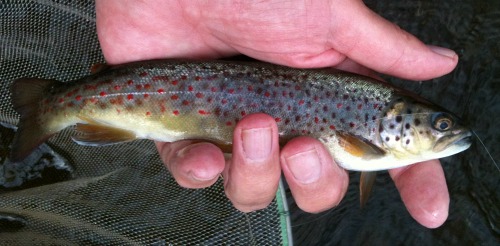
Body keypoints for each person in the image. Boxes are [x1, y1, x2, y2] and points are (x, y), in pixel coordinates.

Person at [96, 0, 457, 229]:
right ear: (396, 116)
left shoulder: (375, 142)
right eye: (441, 125)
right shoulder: (371, 144)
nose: (446, 131)